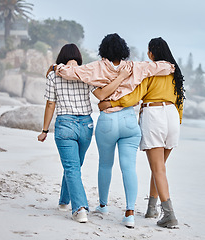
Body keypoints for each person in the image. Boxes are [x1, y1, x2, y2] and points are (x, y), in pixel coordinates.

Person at [54, 33, 175, 228]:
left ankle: (102, 205)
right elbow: (164, 67)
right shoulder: (134, 67)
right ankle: (129, 213)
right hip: (129, 120)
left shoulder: (96, 68)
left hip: (108, 120)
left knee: (105, 164)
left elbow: (71, 72)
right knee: (128, 167)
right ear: (123, 50)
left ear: (103, 50)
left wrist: (56, 67)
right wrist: (170, 67)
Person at [37, 43, 131, 223]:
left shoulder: (53, 75)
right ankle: (64, 201)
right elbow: (102, 94)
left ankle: (79, 208)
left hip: (65, 125)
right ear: (78, 58)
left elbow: (50, 104)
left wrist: (44, 130)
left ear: (61, 58)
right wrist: (120, 78)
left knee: (72, 167)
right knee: (74, 166)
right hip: (86, 126)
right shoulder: (86, 73)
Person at [98, 37, 185, 229]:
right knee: (160, 167)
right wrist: (177, 121)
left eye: (148, 50)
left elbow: (135, 96)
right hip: (172, 117)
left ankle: (169, 215)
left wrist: (112, 103)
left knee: (157, 168)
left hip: (155, 115)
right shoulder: (174, 72)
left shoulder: (150, 71)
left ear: (153, 52)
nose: (147, 54)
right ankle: (152, 208)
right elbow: (180, 101)